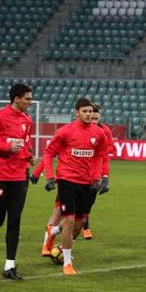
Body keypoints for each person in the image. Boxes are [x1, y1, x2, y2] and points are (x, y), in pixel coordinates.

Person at [33, 98, 110, 275]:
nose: (89, 114)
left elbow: (101, 156)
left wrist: (100, 178)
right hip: (67, 181)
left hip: (88, 183)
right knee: (68, 220)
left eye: (90, 112)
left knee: (79, 223)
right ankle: (67, 263)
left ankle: (53, 231)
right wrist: (50, 177)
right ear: (77, 113)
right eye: (85, 111)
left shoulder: (99, 134)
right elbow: (49, 152)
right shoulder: (65, 131)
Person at [0, 84, 35, 280]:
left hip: (19, 176)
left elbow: (25, 144)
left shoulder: (27, 120)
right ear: (16, 99)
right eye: (27, 98)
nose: (30, 102)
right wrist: (6, 146)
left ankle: (9, 266)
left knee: (15, 218)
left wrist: (29, 156)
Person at [80, 104, 114, 240]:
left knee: (89, 201)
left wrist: (105, 177)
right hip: (80, 170)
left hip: (96, 171)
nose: (94, 121)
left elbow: (110, 149)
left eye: (96, 118)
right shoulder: (79, 129)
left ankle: (81, 225)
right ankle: (85, 228)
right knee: (77, 201)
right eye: (92, 118)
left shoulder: (104, 130)